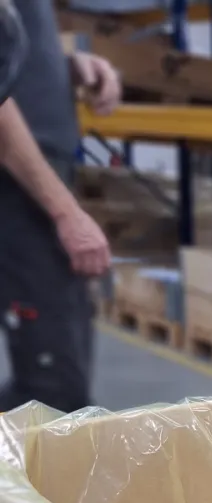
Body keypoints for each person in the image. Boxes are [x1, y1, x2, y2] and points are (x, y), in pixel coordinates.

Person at [0, 0, 121, 413]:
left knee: (58, 388)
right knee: (52, 394)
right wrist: (65, 213)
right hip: (18, 190)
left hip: (33, 185)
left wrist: (61, 67)